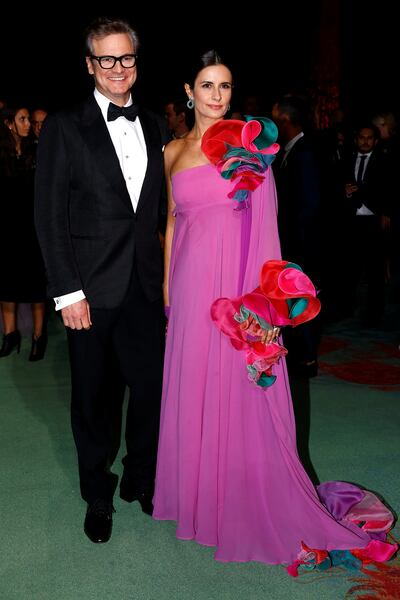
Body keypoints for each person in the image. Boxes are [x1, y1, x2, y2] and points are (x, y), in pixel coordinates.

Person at [152, 51, 397, 572]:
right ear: (189, 91)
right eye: (207, 85)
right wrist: (170, 294)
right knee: (194, 384)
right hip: (189, 286)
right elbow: (173, 225)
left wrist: (257, 307)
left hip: (234, 292)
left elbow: (266, 229)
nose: (217, 95)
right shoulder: (171, 149)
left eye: (225, 86)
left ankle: (239, 503)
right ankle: (197, 498)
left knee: (236, 389)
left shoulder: (248, 147)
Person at [34, 17, 168, 544]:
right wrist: (68, 291)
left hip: (144, 288)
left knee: (153, 393)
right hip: (88, 292)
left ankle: (141, 477)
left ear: (136, 62)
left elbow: (164, 215)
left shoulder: (157, 125)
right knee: (94, 401)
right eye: (107, 59)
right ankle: (98, 493)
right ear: (90, 64)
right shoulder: (64, 126)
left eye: (127, 58)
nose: (118, 68)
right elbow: (49, 217)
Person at [0, 105, 48, 361]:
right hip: (7, 230)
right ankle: (10, 334)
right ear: (9, 124)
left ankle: (39, 337)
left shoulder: (37, 152)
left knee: (35, 285)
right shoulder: (2, 154)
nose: (28, 123)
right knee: (6, 283)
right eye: (22, 119)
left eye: (28, 119)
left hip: (33, 229)